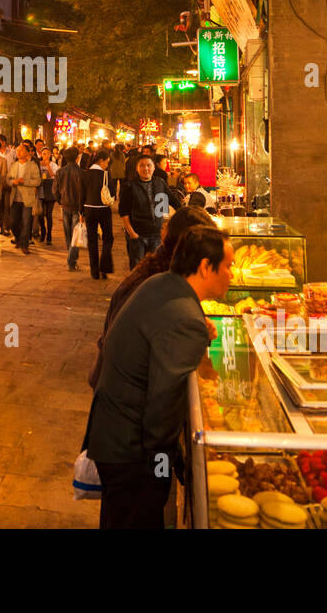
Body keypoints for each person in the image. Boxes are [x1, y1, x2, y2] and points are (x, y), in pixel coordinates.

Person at [86, 226, 233, 529]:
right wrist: (169, 466)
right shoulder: (184, 316)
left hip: (112, 432)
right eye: (228, 266)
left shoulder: (162, 284)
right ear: (206, 266)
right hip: (132, 451)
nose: (232, 274)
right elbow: (162, 408)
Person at [88, 205, 216, 390]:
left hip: (114, 384)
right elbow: (166, 351)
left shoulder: (158, 269)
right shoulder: (159, 285)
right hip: (120, 391)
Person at [119, 155, 170, 270]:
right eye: (142, 165)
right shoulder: (129, 186)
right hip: (138, 235)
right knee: (137, 269)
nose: (145, 168)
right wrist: (131, 233)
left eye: (149, 165)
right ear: (136, 168)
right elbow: (123, 212)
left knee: (154, 267)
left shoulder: (160, 183)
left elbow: (171, 200)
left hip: (156, 234)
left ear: (153, 168)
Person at [83, 149, 115, 280]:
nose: (107, 165)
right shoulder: (105, 175)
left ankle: (94, 270)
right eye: (106, 162)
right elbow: (112, 192)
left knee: (92, 240)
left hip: (88, 209)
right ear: (101, 161)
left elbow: (81, 193)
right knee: (108, 238)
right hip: (103, 209)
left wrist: (81, 211)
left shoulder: (85, 174)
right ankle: (105, 267)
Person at [54, 146, 86, 271]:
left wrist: (60, 201)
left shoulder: (60, 172)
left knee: (68, 234)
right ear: (77, 157)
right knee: (75, 235)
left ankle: (71, 258)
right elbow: (83, 192)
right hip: (77, 208)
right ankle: (71, 260)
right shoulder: (81, 172)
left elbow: (55, 190)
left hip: (65, 206)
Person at [8, 141, 42, 254]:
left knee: (26, 222)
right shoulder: (14, 165)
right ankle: (18, 238)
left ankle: (24, 244)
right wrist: (14, 182)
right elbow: (8, 180)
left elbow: (37, 181)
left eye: (21, 150)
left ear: (28, 153)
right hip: (15, 197)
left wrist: (24, 181)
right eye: (17, 150)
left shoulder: (33, 165)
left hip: (27, 199)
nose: (18, 152)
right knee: (13, 222)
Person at [36, 144, 59, 245]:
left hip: (50, 189)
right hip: (41, 189)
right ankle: (43, 231)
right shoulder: (38, 165)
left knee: (49, 214)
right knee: (40, 214)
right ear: (41, 154)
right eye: (43, 154)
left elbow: (54, 175)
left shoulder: (54, 165)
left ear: (50, 155)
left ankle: (49, 235)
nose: (45, 156)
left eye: (47, 154)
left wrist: (48, 166)